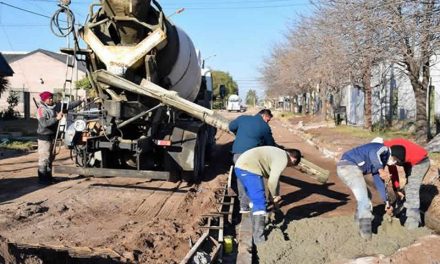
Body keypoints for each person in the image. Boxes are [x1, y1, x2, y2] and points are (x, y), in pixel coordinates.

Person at [336, 142, 405, 239]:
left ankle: (358, 222)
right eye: (396, 161)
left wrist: (386, 202)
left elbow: (379, 181)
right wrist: (381, 170)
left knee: (367, 196)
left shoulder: (382, 161)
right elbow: (373, 153)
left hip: (347, 168)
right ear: (394, 155)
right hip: (348, 167)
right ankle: (366, 234)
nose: (395, 164)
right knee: (365, 201)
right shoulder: (383, 149)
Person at [234, 146, 302, 244]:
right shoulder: (283, 159)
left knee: (254, 201)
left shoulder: (277, 154)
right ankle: (259, 240)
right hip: (250, 169)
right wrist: (274, 196)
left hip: (241, 167)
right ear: (293, 159)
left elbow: (275, 180)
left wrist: (273, 196)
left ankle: (254, 230)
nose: (287, 166)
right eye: (290, 165)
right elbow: (272, 181)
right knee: (260, 203)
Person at [229, 109, 276, 212]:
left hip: (238, 154)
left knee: (241, 178)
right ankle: (255, 203)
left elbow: (231, 127)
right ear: (264, 116)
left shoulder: (242, 118)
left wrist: (239, 133)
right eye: (268, 120)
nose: (267, 122)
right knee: (254, 178)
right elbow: (271, 145)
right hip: (251, 157)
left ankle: (243, 206)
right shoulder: (264, 127)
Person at [37, 91, 83, 184]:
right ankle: (42, 179)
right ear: (44, 100)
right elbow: (44, 123)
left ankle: (49, 178)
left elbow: (69, 105)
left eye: (51, 98)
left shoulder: (54, 106)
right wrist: (56, 118)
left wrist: (81, 101)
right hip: (44, 137)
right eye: (48, 98)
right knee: (44, 158)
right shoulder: (41, 110)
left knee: (50, 158)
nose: (50, 100)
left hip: (52, 136)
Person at [383, 138, 430, 229]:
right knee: (408, 188)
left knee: (412, 189)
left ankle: (413, 221)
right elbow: (393, 171)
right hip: (407, 162)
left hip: (420, 161)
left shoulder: (389, 149)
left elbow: (412, 185)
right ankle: (403, 209)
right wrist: (396, 189)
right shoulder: (385, 152)